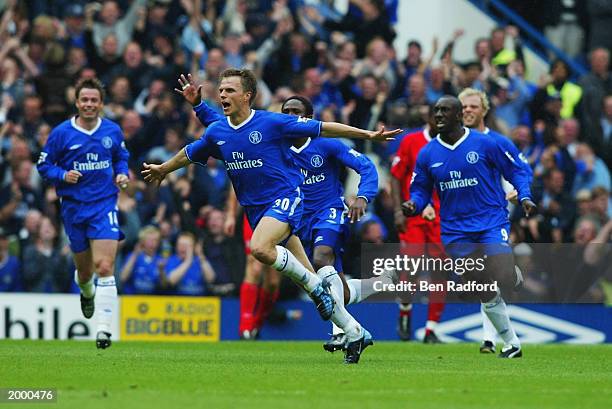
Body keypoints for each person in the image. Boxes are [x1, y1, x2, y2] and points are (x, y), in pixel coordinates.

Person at [143, 69, 400, 363]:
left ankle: (316, 289)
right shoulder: (218, 131)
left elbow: (325, 128)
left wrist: (366, 134)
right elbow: (190, 152)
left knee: (260, 248)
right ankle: (355, 332)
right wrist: (163, 169)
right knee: (315, 279)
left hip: (286, 200)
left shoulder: (272, 122)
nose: (223, 95)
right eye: (221, 91)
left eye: (229, 90)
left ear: (247, 96)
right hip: (256, 211)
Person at [402, 96, 536, 358]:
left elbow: (517, 170)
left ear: (459, 116)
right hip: (454, 230)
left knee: (501, 273)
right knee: (478, 288)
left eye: (445, 111)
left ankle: (511, 274)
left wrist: (525, 195)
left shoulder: (486, 143)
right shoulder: (428, 153)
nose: (438, 115)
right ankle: (512, 344)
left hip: (490, 220)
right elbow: (420, 190)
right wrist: (413, 205)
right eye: (436, 110)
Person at [37, 77, 130, 349]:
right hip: (74, 208)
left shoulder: (112, 131)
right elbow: (44, 166)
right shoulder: (61, 133)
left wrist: (122, 174)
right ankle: (86, 291)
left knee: (105, 266)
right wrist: (63, 174)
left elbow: (121, 157)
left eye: (94, 100)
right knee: (86, 272)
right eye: (84, 100)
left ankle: (103, 330)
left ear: (101, 104)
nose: (89, 104)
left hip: (103, 205)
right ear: (77, 103)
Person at [459, 88, 534, 353]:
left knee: (491, 274)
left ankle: (490, 338)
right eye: (464, 106)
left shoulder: (498, 142)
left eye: (473, 106)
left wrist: (520, 193)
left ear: (484, 110)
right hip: (461, 224)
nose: (468, 110)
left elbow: (521, 170)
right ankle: (495, 339)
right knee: (480, 278)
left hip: (493, 217)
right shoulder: (450, 144)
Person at [390, 110, 447, 344]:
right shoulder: (411, 141)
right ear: (428, 119)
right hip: (413, 214)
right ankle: (405, 311)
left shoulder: (454, 144)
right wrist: (397, 211)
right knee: (411, 268)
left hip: (442, 218)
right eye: (437, 116)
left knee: (440, 271)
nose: (441, 120)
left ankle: (431, 329)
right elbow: (396, 176)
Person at [119, 225, 163, 294]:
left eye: (155, 240)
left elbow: (164, 286)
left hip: (153, 301)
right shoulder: (132, 256)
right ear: (142, 241)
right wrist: (135, 255)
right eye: (149, 240)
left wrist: (161, 270)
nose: (153, 243)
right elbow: (123, 278)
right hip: (131, 300)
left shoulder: (160, 260)